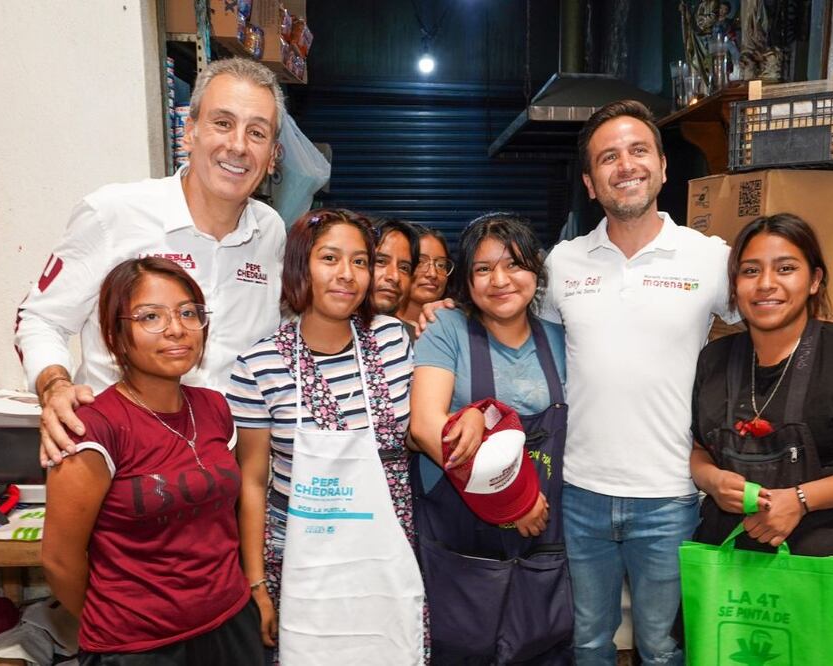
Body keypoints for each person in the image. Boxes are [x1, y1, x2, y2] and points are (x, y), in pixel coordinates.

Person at [536, 100, 833, 665]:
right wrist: (441, 310)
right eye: (608, 157)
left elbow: (776, 303)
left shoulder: (709, 258)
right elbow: (521, 334)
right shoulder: (562, 263)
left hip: (671, 494)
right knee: (587, 641)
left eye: (638, 151)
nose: (625, 165)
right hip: (580, 490)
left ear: (662, 167)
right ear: (590, 182)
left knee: (665, 647)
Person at [16, 57, 287, 467]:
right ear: (190, 131)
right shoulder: (113, 213)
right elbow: (40, 319)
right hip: (122, 466)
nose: (237, 145)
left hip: (224, 472)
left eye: (257, 132)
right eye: (222, 123)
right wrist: (54, 386)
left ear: (272, 156)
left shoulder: (270, 231)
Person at [688, 213, 833, 664]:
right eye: (751, 271)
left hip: (827, 563)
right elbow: (699, 449)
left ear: (815, 280)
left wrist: (801, 500)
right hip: (734, 563)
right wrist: (711, 479)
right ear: (735, 286)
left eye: (786, 268)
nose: (766, 284)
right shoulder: (715, 358)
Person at [227, 209, 425, 664]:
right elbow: (252, 482)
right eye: (330, 258)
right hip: (301, 557)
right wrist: (255, 583)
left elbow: (413, 433)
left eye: (360, 261)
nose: (347, 274)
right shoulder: (259, 366)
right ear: (302, 266)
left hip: (386, 549)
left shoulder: (393, 339)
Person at [41, 257, 261, 664]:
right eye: (150, 317)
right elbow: (59, 560)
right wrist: (118, 621)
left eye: (188, 313)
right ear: (116, 335)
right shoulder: (93, 426)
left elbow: (223, 517)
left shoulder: (214, 407)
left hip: (230, 624)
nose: (176, 329)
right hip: (138, 647)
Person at [409, 213, 573, 663]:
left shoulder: (562, 338)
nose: (500, 280)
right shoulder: (446, 329)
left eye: (514, 264)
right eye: (483, 269)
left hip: (543, 543)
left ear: (535, 270)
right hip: (460, 543)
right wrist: (514, 501)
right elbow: (424, 426)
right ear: (466, 279)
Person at [372, 217, 421, 331]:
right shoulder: (334, 335)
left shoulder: (416, 338)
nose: (395, 277)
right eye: (381, 261)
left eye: (404, 268)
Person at [400, 226, 452, 326]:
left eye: (441, 265)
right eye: (420, 262)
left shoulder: (454, 324)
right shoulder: (378, 327)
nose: (432, 274)